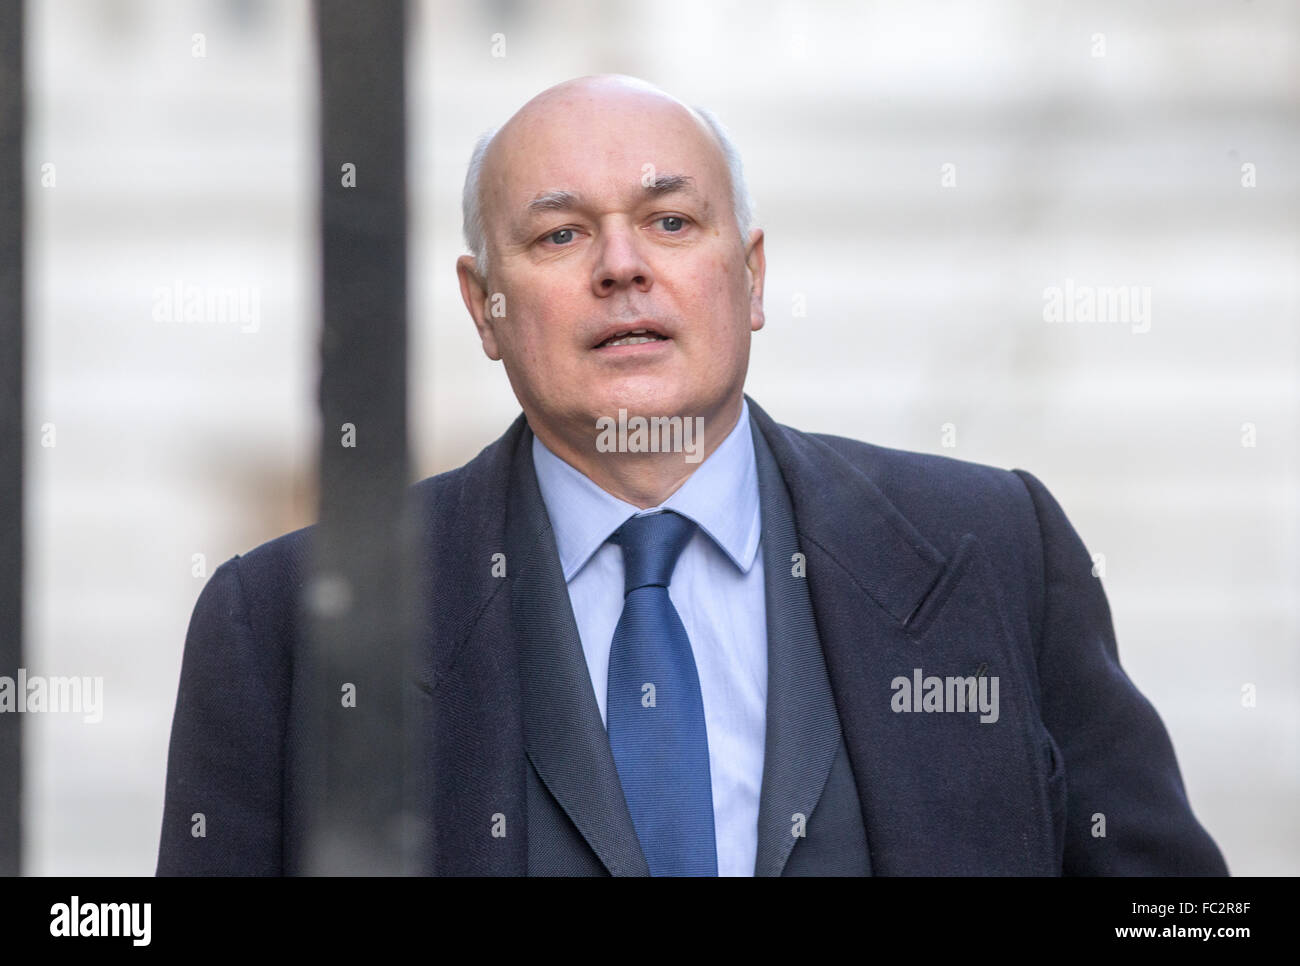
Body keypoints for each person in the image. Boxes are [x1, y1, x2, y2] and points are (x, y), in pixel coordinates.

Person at [157, 74, 1227, 876]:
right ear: (483, 306)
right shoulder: (286, 619)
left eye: (670, 221)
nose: (621, 265)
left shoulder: (990, 546)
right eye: (561, 232)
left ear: (750, 276)